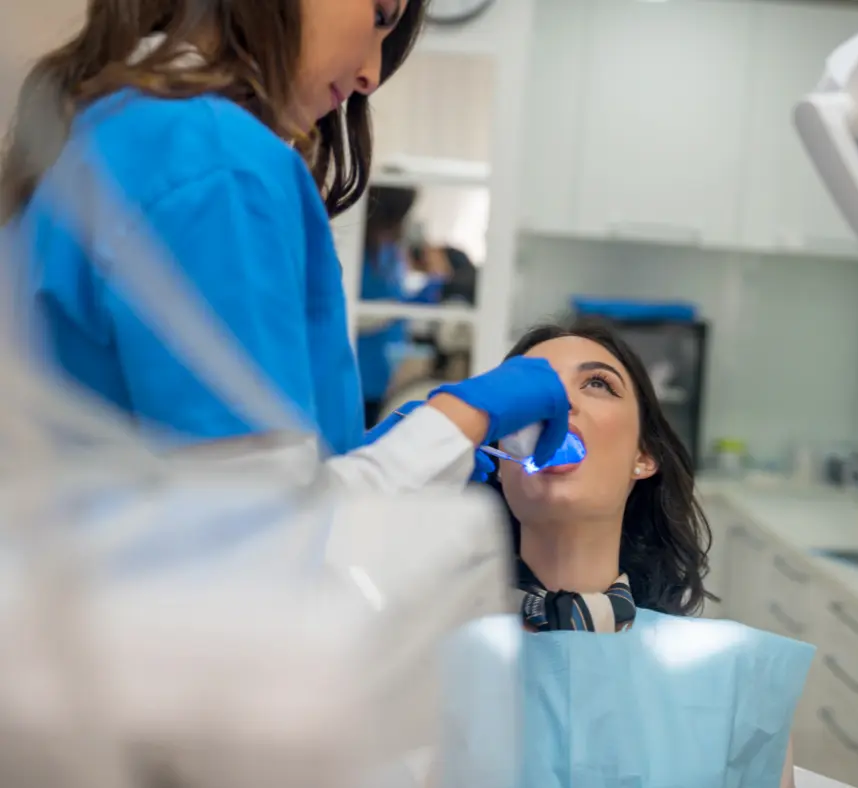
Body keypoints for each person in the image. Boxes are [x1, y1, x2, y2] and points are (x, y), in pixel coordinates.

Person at [0, 0, 571, 489]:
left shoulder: (118, 131)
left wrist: (423, 439)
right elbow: (265, 542)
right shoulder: (215, 162)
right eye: (378, 14)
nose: (371, 74)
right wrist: (458, 421)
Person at [485, 318, 812, 788]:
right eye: (534, 390)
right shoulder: (425, 660)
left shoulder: (736, 680)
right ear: (498, 459)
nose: (559, 404)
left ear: (644, 456)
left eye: (597, 383)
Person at [358, 185, 444, 428]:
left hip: (382, 361)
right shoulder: (364, 253)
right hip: (364, 361)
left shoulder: (390, 251)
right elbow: (376, 309)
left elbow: (398, 300)